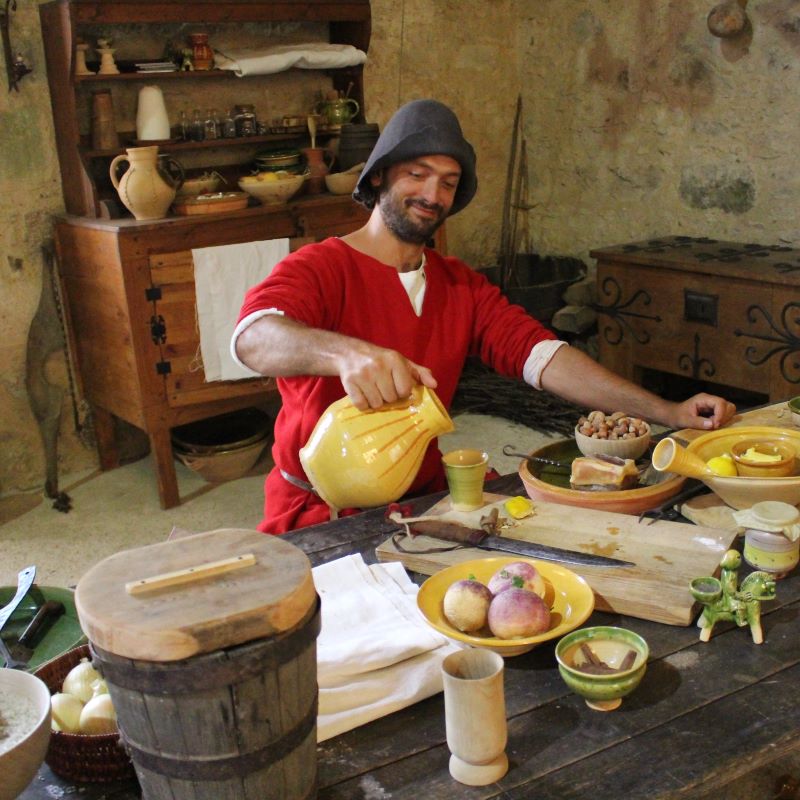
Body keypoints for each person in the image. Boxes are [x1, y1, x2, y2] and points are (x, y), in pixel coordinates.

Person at [232, 98, 736, 534]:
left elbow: (543, 356)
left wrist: (667, 412)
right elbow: (254, 337)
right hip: (321, 512)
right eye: (417, 173)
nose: (433, 195)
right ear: (380, 174)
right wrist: (346, 353)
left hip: (426, 497)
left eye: (448, 182)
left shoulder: (459, 284)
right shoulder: (321, 267)